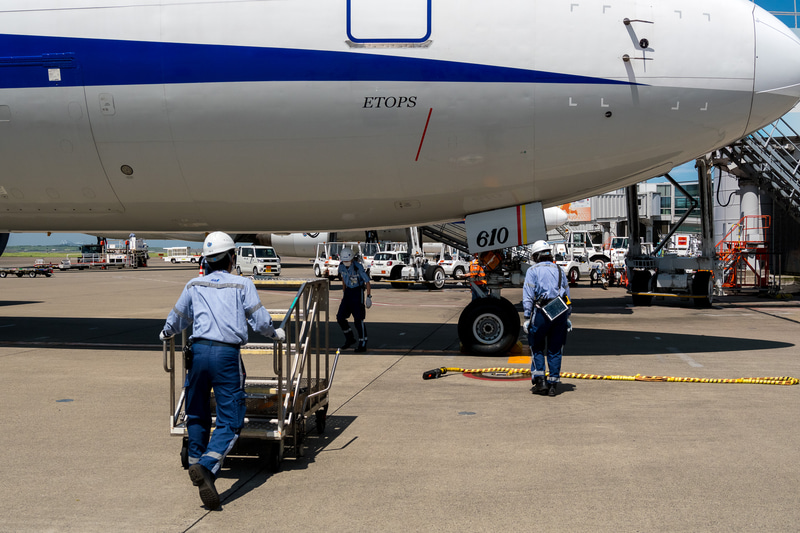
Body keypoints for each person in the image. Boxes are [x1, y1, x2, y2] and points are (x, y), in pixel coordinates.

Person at [159, 231, 285, 510]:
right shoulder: (242, 284)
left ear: (205, 260)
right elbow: (260, 320)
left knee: (197, 412)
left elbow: (178, 317)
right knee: (231, 418)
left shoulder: (194, 284)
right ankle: (206, 466)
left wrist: (166, 332)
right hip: (227, 356)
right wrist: (276, 334)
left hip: (199, 354)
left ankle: (198, 466)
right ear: (231, 258)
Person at [522, 240, 571, 397]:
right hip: (558, 309)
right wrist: (568, 315)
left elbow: (528, 295)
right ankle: (553, 384)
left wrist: (527, 316)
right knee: (555, 348)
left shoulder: (533, 270)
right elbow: (566, 295)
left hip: (542, 310)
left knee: (536, 345)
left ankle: (540, 380)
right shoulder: (559, 270)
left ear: (536, 256)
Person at [337, 247, 371, 352]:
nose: (346, 262)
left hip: (357, 292)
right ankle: (349, 338)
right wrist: (344, 292)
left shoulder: (358, 267)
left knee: (358, 320)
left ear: (352, 259)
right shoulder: (341, 266)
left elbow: (367, 281)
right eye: (344, 260)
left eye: (347, 260)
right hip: (348, 292)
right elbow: (343, 278)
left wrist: (368, 297)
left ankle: (363, 342)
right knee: (340, 317)